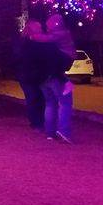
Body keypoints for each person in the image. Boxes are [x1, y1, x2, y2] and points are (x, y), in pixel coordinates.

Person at [31, 14, 76, 144]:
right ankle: (64, 131)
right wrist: (64, 78)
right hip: (56, 75)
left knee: (50, 103)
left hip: (43, 77)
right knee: (65, 103)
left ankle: (50, 132)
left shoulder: (47, 41)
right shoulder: (56, 40)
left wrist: (32, 37)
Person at [12, 20, 47, 131]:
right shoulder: (30, 43)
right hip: (30, 74)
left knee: (34, 98)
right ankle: (37, 122)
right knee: (35, 98)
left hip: (29, 74)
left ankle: (37, 122)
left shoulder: (24, 43)